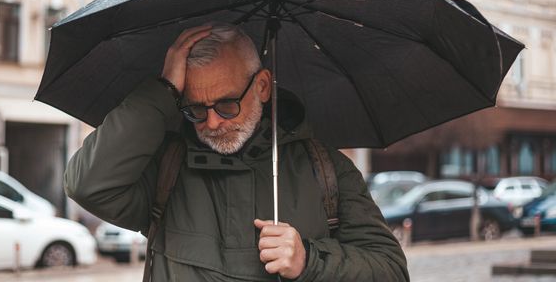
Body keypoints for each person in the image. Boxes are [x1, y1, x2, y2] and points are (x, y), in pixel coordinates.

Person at [64, 23, 409, 281]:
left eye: (227, 104)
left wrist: (311, 260)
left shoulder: (327, 169)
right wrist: (163, 91)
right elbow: (88, 185)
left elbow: (391, 270)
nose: (212, 122)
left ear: (261, 86)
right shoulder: (167, 168)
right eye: (195, 108)